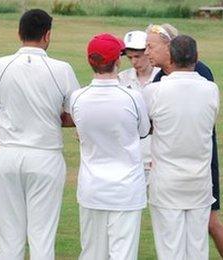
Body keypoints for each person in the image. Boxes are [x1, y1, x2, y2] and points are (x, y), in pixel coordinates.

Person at [0, 9, 80, 260]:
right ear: (47, 35)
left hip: (8, 156)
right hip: (45, 157)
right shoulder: (61, 69)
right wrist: (51, 118)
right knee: (41, 236)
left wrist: (7, 119)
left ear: (19, 34)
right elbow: (76, 116)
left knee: (9, 235)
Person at [144, 23, 223, 260]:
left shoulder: (153, 91)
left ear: (171, 58)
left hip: (167, 181)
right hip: (199, 180)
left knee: (170, 249)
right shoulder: (210, 89)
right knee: (197, 249)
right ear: (196, 58)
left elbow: (144, 127)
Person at [71, 33, 151, 260]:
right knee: (122, 254)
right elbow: (144, 131)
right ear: (117, 60)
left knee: (92, 253)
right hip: (126, 190)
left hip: (92, 188)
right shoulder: (132, 97)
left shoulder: (78, 97)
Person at [118, 30, 160, 176]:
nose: (134, 62)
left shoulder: (162, 77)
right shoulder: (121, 79)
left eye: (137, 56)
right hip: (131, 157)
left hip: (157, 157)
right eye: (130, 58)